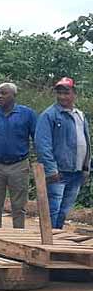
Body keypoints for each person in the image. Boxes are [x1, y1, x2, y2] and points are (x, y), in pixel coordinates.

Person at [35, 77, 90, 229]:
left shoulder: (80, 115)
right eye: (59, 93)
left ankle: (57, 239)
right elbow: (42, 145)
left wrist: (86, 168)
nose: (62, 97)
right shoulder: (49, 115)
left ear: (74, 93)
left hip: (76, 172)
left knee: (64, 210)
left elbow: (86, 143)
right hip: (59, 173)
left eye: (66, 93)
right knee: (53, 209)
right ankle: (49, 243)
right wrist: (51, 170)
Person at [0, 83, 37, 229]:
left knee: (19, 207)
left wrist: (38, 161)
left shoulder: (27, 114)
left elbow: (37, 138)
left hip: (19, 165)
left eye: (4, 93)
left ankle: (18, 240)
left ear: (14, 96)